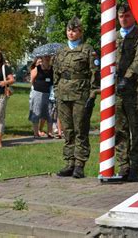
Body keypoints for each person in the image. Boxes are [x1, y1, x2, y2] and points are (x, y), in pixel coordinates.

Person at [54, 17, 99, 178]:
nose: (71, 33)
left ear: (80, 32)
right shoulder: (61, 51)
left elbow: (95, 72)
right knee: (68, 130)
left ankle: (80, 164)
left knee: (80, 129)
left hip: (80, 94)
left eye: (74, 30)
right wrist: (56, 90)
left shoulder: (87, 50)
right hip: (63, 93)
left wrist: (93, 93)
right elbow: (56, 74)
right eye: (69, 30)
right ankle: (69, 162)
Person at [114, 4, 138, 182]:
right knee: (120, 131)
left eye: (127, 16)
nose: (124, 19)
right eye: (121, 16)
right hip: (117, 91)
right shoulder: (112, 37)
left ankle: (135, 168)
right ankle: (123, 166)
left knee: (136, 132)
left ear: (133, 16)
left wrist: (126, 78)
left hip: (134, 90)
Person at [29, 55, 54, 138]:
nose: (47, 58)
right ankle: (36, 133)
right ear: (42, 58)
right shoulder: (37, 69)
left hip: (49, 93)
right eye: (45, 57)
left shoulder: (53, 69)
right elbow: (32, 81)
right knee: (36, 112)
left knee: (50, 113)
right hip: (38, 93)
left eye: (48, 57)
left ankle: (50, 132)